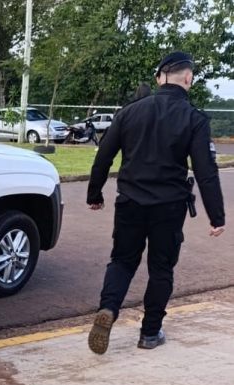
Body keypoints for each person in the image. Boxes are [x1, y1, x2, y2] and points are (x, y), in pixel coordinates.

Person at [87, 51, 225, 354]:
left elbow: (104, 156)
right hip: (170, 205)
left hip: (130, 201)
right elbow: (206, 171)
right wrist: (217, 216)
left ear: (159, 78)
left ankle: (108, 308)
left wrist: (94, 194)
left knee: (122, 261)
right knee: (161, 268)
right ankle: (150, 333)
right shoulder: (195, 119)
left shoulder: (129, 112)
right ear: (188, 78)